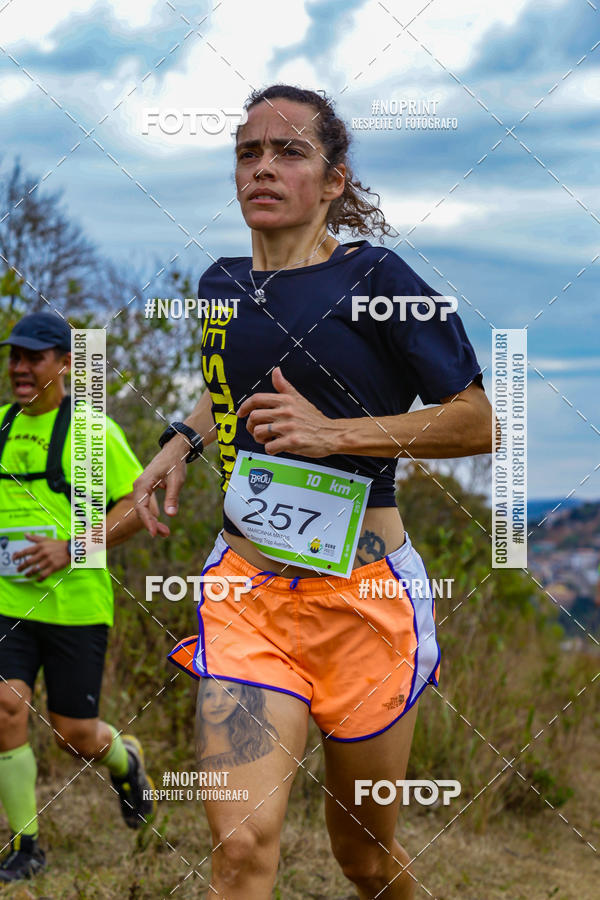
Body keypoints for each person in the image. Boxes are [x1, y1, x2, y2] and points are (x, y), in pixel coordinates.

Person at [134, 84, 493, 899]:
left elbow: (477, 421)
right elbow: (231, 381)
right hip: (248, 592)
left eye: (289, 151)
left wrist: (337, 434)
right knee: (242, 847)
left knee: (363, 855)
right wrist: (182, 443)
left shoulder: (379, 277)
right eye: (249, 152)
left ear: (333, 180)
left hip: (366, 599)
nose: (263, 167)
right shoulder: (220, 283)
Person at [0, 312, 156, 883]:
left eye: (33, 357)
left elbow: (137, 508)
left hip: (76, 607)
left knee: (75, 735)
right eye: (14, 356)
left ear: (65, 364)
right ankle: (26, 846)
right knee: (5, 707)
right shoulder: (0, 427)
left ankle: (126, 759)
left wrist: (70, 547)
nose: (19, 367)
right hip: (7, 605)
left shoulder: (94, 434)